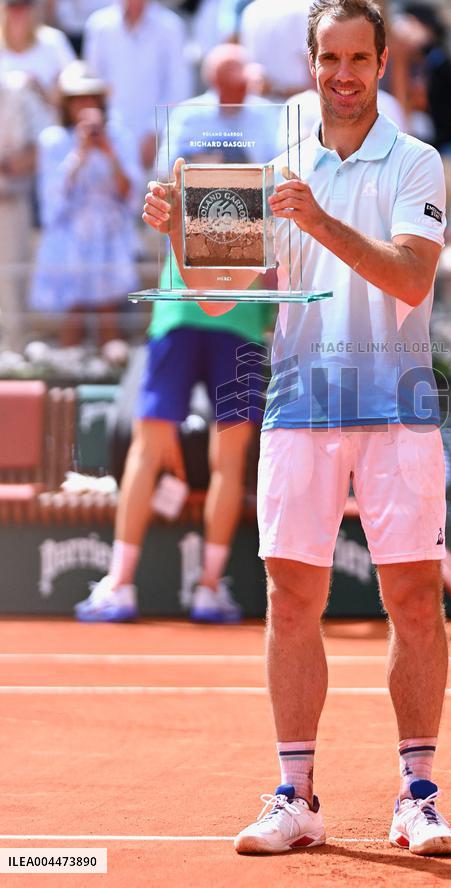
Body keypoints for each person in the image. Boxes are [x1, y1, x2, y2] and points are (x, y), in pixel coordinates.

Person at [144, 0, 451, 857]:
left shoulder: (417, 161)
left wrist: (317, 219)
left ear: (382, 63)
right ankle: (296, 793)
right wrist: (179, 235)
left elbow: (409, 279)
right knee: (291, 598)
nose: (345, 75)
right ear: (310, 66)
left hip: (396, 406)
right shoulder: (272, 156)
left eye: (360, 58)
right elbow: (217, 291)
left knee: (413, 599)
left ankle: (418, 795)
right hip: (298, 403)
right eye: (330, 59)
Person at [75, 43, 272, 624]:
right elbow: (165, 191)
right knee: (161, 444)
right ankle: (130, 584)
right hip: (191, 313)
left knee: (217, 452)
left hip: (228, 317)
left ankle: (190, 585)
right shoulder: (212, 131)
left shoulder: (254, 130)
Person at [29, 60, 141, 346]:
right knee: (72, 315)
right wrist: (79, 154)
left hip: (109, 238)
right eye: (77, 98)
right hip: (69, 240)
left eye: (90, 97)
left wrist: (108, 153)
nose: (84, 104)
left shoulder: (119, 137)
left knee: (109, 317)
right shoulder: (53, 140)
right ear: (65, 104)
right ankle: (69, 379)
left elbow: (131, 193)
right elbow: (51, 196)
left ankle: (111, 382)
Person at [83, 0, 191, 172]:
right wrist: (107, 134)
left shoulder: (170, 26)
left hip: (161, 140)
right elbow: (95, 85)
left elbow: (178, 87)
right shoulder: (99, 26)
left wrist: (155, 131)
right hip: (112, 136)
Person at [239, 0, 321, 100]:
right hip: (303, 114)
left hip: (259, 110)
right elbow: (318, 77)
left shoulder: (252, 9)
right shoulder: (313, 6)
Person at [0, 0, 75, 130]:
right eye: (13, 7)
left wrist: (37, 89)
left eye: (24, 7)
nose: (19, 14)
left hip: (48, 131)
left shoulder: (53, 41)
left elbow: (72, 91)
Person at [0, 71, 38, 352]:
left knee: (10, 288)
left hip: (9, 204)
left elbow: (34, 154)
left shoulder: (16, 92)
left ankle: (11, 359)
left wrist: (8, 165)